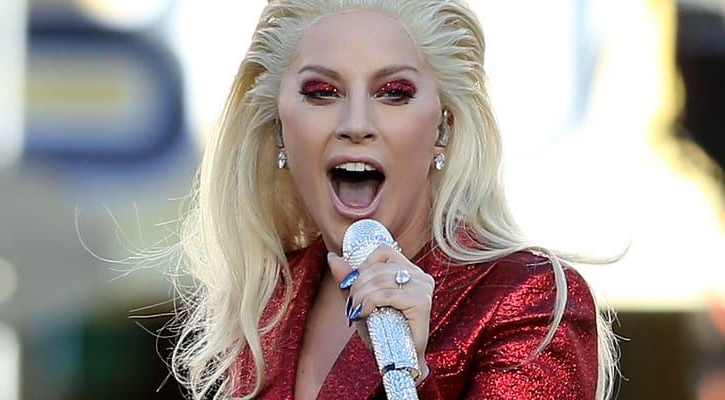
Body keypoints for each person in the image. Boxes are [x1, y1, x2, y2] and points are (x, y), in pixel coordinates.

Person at [170, 0, 619, 399]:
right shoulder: (266, 306)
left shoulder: (525, 297)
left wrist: (415, 377)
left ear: (443, 127)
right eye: (322, 93)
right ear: (278, 128)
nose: (357, 123)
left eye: (394, 93)